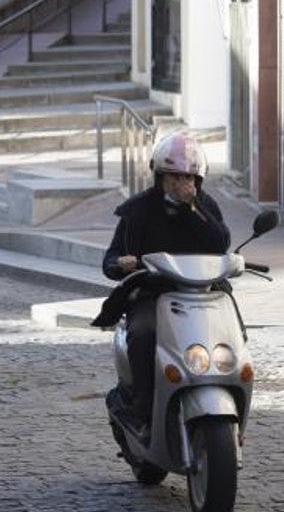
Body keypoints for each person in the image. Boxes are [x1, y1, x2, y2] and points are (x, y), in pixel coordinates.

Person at [99, 132, 231, 426]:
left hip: (202, 293)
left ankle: (228, 388)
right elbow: (110, 259)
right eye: (174, 177)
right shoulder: (138, 210)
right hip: (153, 294)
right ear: (159, 176)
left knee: (232, 330)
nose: (182, 184)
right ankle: (143, 407)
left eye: (189, 177)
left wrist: (191, 209)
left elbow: (220, 243)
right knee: (143, 332)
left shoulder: (204, 207)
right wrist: (121, 263)